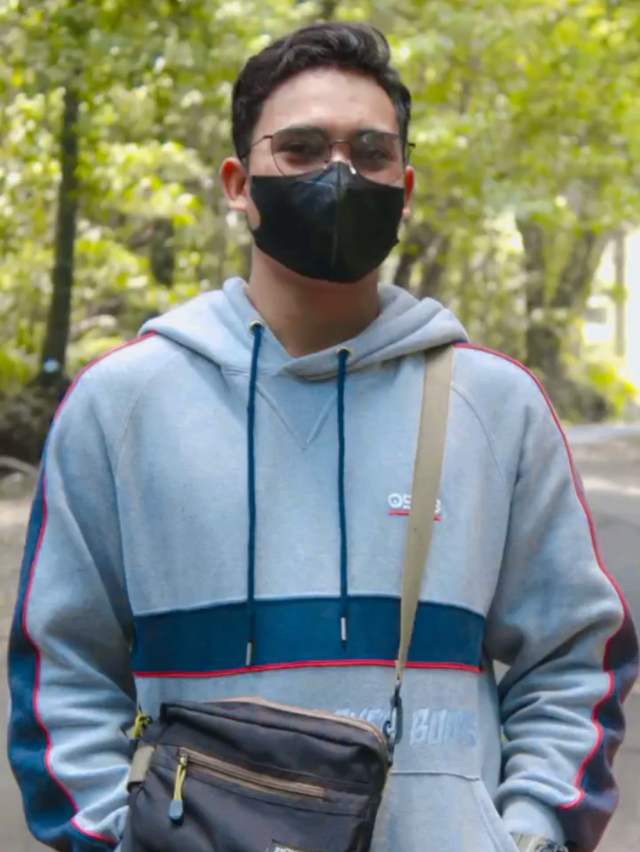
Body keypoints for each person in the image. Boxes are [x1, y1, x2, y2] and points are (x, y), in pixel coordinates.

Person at [7, 21, 638, 852]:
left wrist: (529, 835)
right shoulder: (119, 405)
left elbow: (574, 659)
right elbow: (61, 668)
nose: (339, 173)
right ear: (240, 183)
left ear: (404, 189)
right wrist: (113, 836)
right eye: (301, 149)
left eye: (370, 152)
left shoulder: (497, 405)